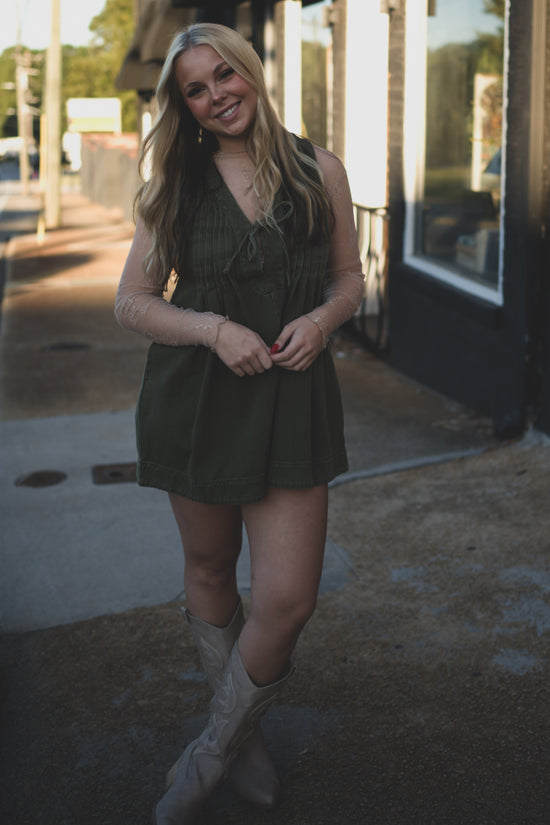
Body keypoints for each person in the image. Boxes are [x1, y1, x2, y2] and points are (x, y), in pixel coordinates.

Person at [115, 22, 364, 825]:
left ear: (250, 73)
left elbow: (349, 280)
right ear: (183, 103)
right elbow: (133, 302)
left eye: (226, 74)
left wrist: (324, 322)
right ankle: (247, 741)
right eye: (197, 87)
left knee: (287, 596)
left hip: (293, 397)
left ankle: (212, 749)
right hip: (199, 399)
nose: (218, 93)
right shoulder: (176, 181)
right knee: (213, 571)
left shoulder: (317, 168)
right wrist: (214, 328)